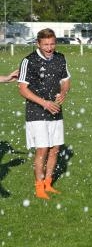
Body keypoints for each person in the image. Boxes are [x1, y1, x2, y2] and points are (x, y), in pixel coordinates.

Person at [17, 28, 71, 199]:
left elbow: (66, 80)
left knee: (55, 149)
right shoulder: (29, 61)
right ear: (38, 44)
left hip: (55, 110)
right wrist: (44, 103)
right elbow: (23, 89)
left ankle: (48, 183)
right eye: (46, 44)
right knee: (42, 150)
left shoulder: (60, 58)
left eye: (52, 43)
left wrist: (63, 92)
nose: (49, 47)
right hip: (36, 112)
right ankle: (39, 186)